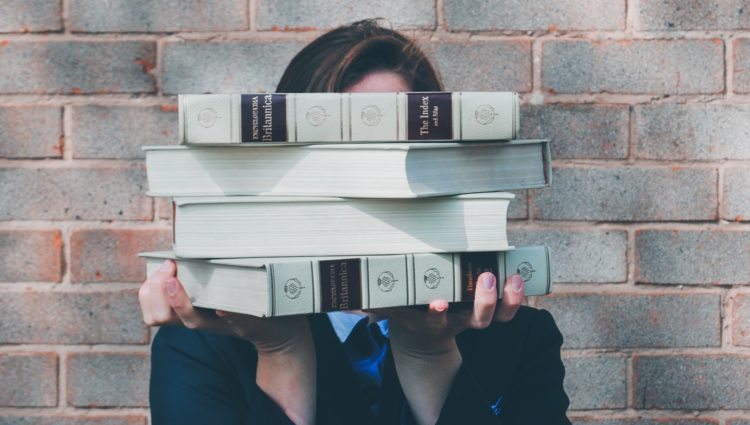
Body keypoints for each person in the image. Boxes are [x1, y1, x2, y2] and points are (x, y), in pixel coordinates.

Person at [139, 19, 571, 425]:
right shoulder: (208, 340)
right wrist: (280, 349)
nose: (368, 190)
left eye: (390, 155)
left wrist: (431, 355)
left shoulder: (518, 337)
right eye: (335, 159)